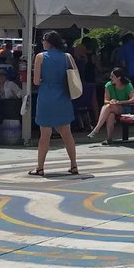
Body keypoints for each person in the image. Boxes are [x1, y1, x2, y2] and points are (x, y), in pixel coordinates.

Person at [29, 31, 80, 176]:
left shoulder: (40, 57)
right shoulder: (67, 56)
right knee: (66, 133)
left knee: (45, 134)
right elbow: (75, 75)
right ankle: (74, 165)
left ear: (48, 42)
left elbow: (36, 81)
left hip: (46, 96)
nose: (42, 43)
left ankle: (40, 167)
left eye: (43, 40)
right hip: (63, 96)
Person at [88, 67, 134, 144]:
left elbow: (133, 99)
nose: (110, 78)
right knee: (110, 114)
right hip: (112, 107)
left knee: (108, 107)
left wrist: (120, 102)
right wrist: (111, 102)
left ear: (119, 78)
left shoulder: (127, 85)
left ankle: (97, 128)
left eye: (113, 76)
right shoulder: (108, 85)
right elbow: (105, 101)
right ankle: (109, 138)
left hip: (125, 107)